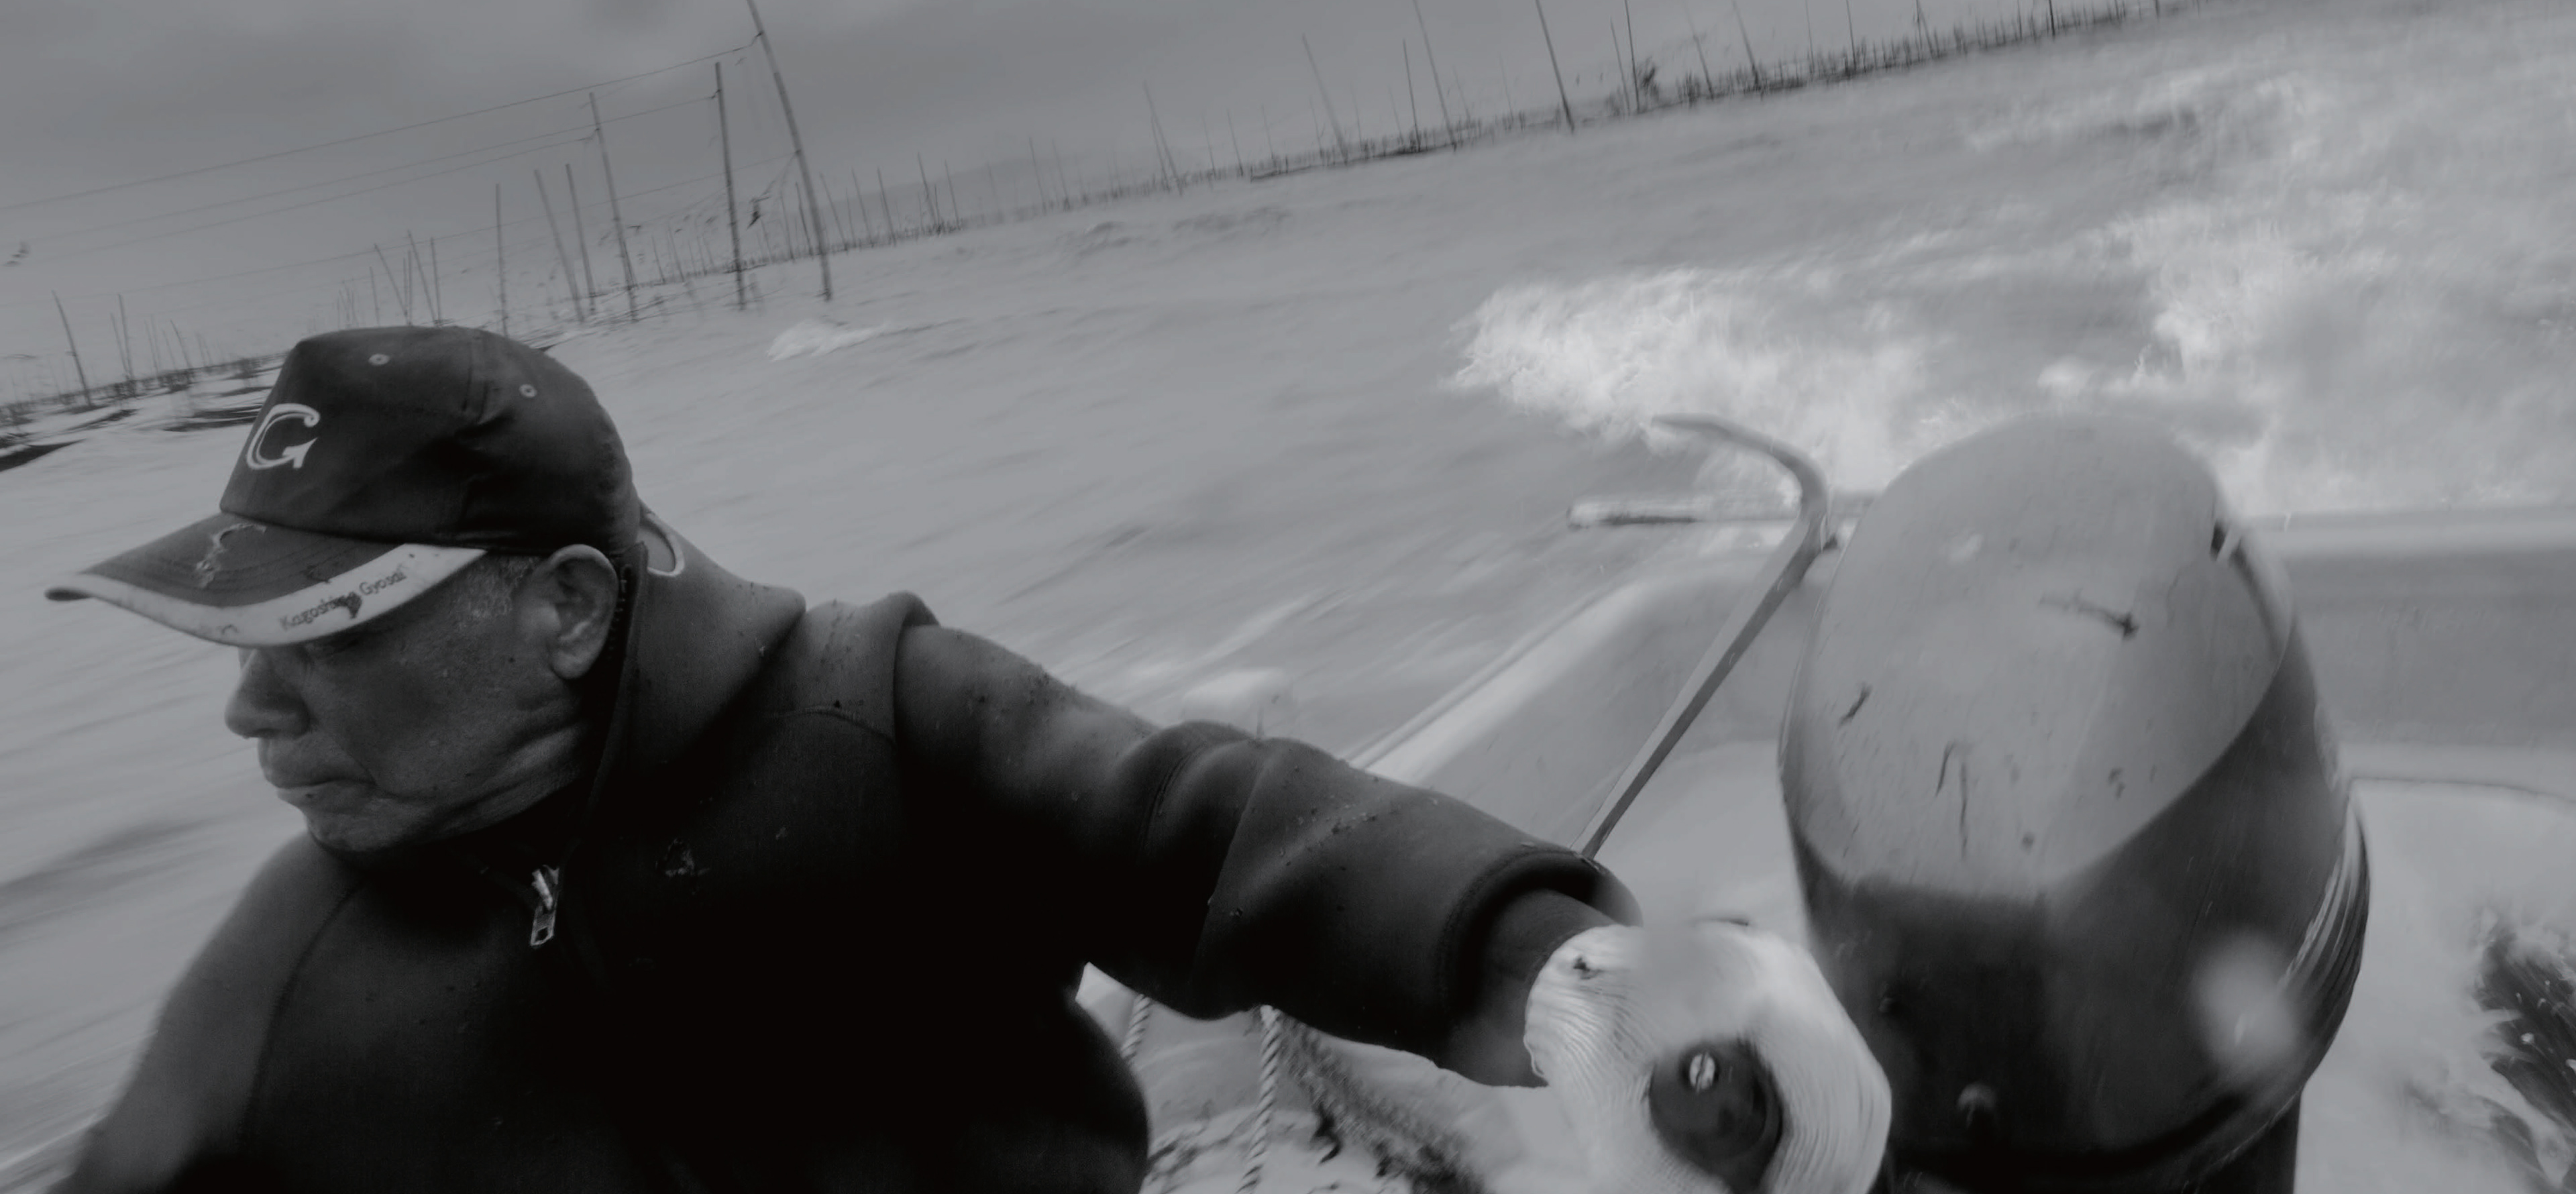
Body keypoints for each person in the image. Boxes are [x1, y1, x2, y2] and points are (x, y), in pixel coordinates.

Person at [44, 325, 1888, 1194]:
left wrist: (1556, 973)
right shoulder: (286, 971)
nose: (252, 712)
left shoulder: (873, 720)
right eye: (238, 644)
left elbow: (1214, 834)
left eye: (328, 634)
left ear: (569, 606)